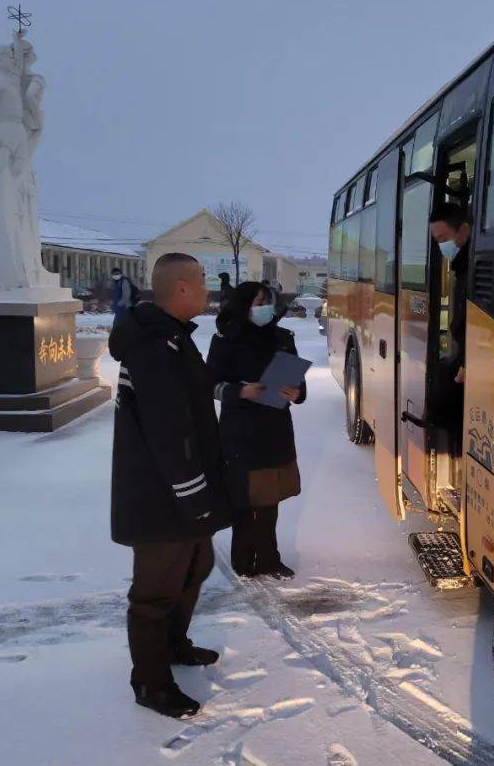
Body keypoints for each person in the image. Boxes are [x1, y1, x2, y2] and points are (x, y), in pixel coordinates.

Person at [108, 252, 234, 720]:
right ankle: (150, 682)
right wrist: (194, 495)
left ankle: (174, 646)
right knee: (155, 591)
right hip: (161, 497)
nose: (207, 289)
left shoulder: (173, 338)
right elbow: (168, 433)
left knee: (195, 566)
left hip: (179, 492)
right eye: (201, 281)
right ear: (181, 288)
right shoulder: (154, 348)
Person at [207, 281, 306, 580]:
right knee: (244, 499)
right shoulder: (226, 341)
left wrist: (297, 393)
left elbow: (299, 385)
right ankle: (243, 558)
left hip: (275, 427)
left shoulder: (281, 337)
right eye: (259, 301)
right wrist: (241, 391)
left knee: (269, 499)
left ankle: (268, 558)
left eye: (269, 301)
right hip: (241, 431)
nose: (266, 307)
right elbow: (211, 385)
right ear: (243, 305)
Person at [428, 202, 471, 434]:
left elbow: (470, 321)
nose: (442, 246)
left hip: (473, 357)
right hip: (465, 355)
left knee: (444, 404)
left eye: (443, 238)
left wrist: (466, 362)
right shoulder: (461, 264)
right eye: (437, 241)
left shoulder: (475, 266)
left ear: (463, 231)